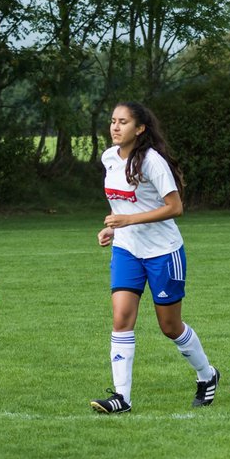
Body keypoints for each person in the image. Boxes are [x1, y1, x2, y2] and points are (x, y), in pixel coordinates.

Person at [90, 101, 217, 414]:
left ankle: (207, 374)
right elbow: (122, 207)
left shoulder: (151, 161)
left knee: (170, 326)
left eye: (123, 122)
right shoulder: (109, 158)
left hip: (163, 252)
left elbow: (175, 208)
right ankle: (122, 398)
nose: (115, 127)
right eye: (113, 121)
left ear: (140, 128)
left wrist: (126, 222)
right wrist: (114, 230)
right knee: (121, 318)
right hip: (127, 250)